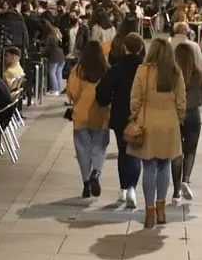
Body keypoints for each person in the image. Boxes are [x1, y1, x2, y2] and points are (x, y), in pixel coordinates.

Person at [127, 39, 186, 228]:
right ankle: (161, 209)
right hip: (169, 124)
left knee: (149, 167)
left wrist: (134, 116)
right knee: (164, 165)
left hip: (148, 123)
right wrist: (178, 119)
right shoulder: (176, 72)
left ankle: (149, 211)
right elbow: (181, 102)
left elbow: (135, 98)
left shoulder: (143, 71)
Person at [96, 33, 145, 208]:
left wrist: (106, 101)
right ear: (141, 48)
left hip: (120, 115)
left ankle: (123, 188)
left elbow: (102, 91)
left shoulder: (116, 69)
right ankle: (132, 187)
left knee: (123, 151)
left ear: (125, 47)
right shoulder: (146, 69)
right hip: (140, 115)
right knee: (136, 151)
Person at [66, 41, 111, 198]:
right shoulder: (106, 69)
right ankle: (96, 172)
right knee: (99, 147)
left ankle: (86, 183)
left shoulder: (78, 70)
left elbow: (72, 92)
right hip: (101, 115)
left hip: (81, 115)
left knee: (82, 150)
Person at [171, 42, 202, 204]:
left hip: (175, 115)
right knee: (191, 151)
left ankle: (176, 192)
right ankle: (186, 180)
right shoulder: (198, 74)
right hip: (193, 115)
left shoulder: (171, 74)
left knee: (176, 152)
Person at [43, 19, 66, 95]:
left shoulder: (50, 36)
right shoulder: (58, 35)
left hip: (54, 56)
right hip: (62, 55)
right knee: (59, 72)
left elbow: (48, 48)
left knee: (52, 72)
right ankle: (59, 89)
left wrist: (43, 53)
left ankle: (54, 89)